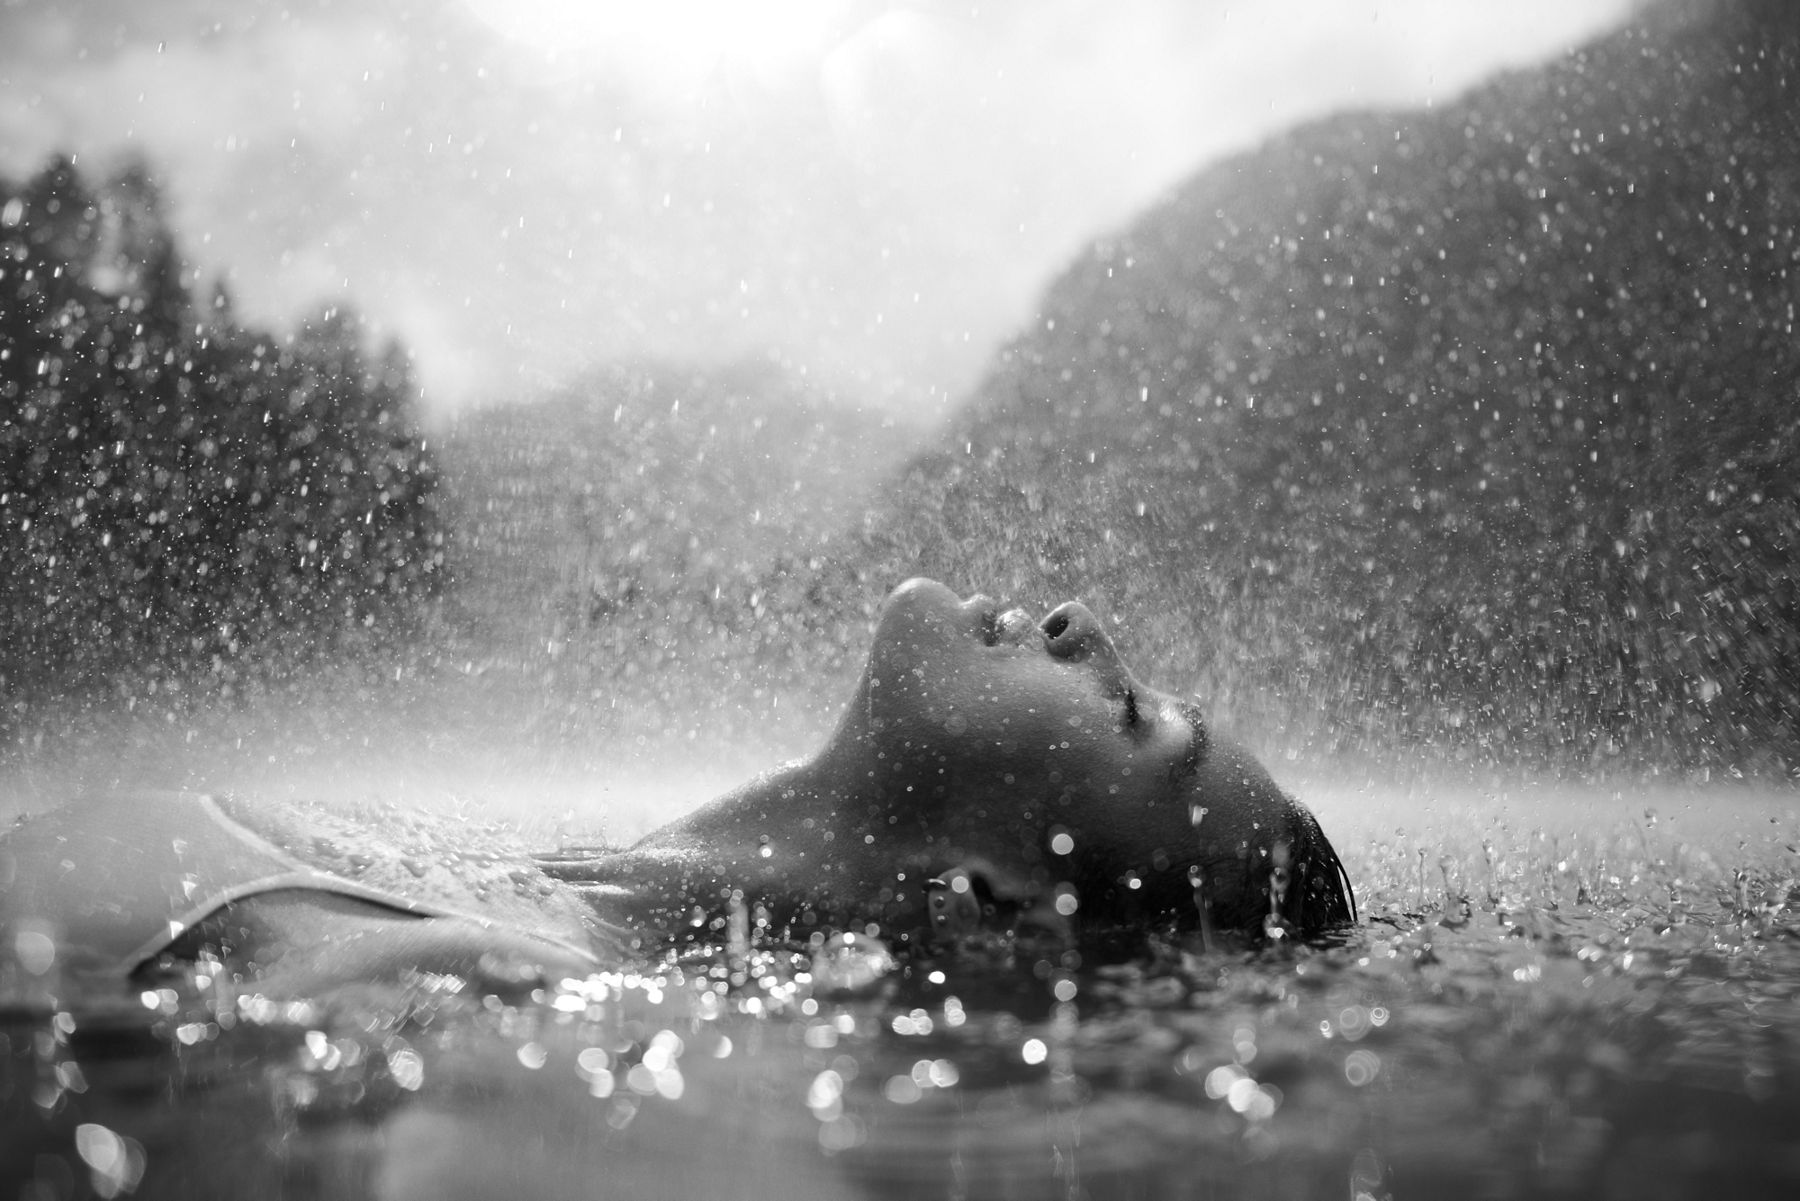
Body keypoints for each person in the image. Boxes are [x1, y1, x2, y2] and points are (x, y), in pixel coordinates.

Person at [0, 578, 1352, 1002]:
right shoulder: (509, 890)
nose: (1080, 625)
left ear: (993, 898)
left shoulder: (466, 967)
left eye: (1130, 714)